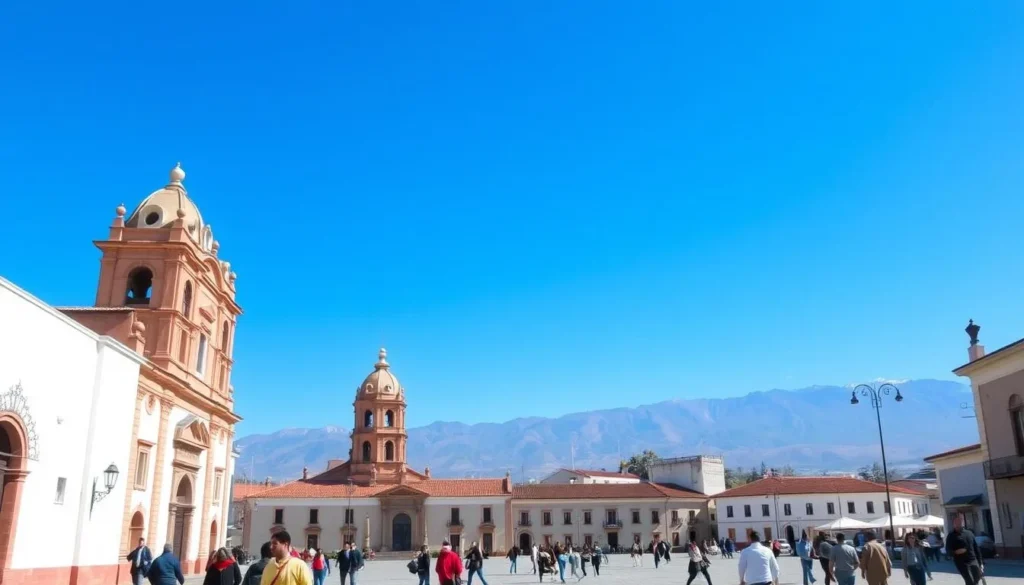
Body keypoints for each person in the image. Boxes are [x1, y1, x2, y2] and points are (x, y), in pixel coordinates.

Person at [945, 515, 984, 585]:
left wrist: (981, 563)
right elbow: (948, 550)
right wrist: (955, 552)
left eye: (960, 521)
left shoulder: (969, 533)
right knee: (970, 581)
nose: (958, 523)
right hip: (961, 562)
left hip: (973, 560)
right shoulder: (951, 536)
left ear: (963, 523)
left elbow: (976, 549)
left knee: (976, 579)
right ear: (954, 523)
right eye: (956, 522)